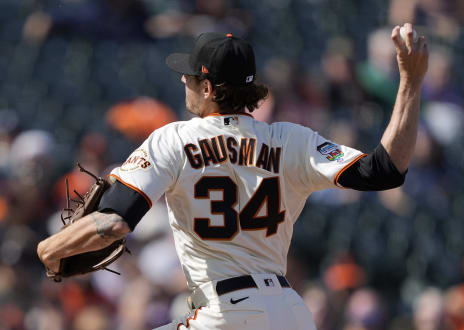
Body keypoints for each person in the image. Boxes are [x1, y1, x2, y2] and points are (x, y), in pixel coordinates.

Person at [37, 23, 428, 329]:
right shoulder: (290, 140)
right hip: (290, 314)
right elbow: (384, 171)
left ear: (207, 88)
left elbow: (115, 222)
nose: (182, 81)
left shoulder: (174, 139)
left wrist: (50, 248)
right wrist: (410, 83)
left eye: (189, 77)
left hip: (224, 312)